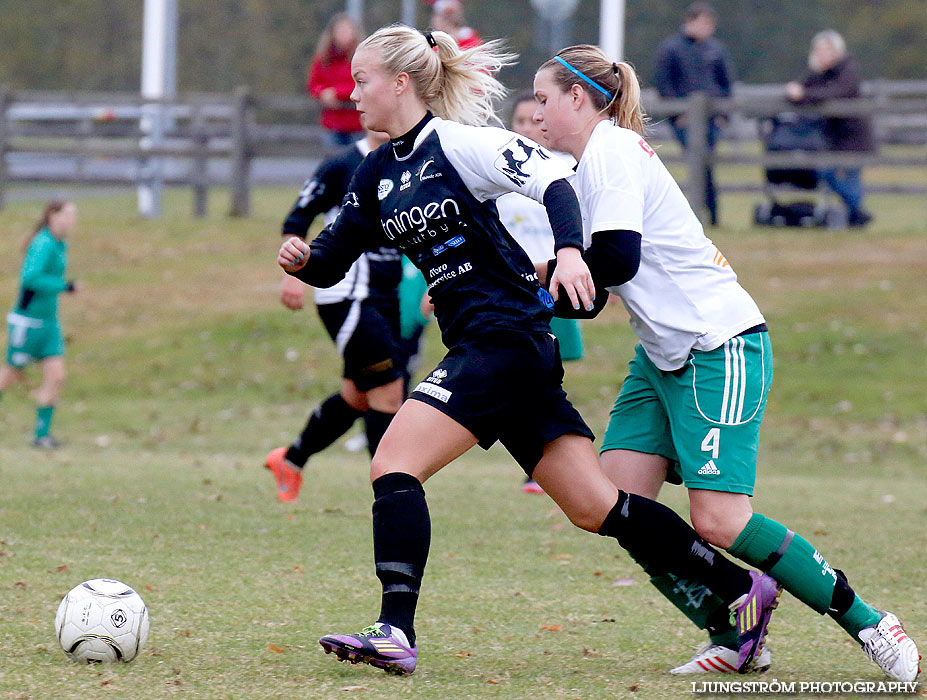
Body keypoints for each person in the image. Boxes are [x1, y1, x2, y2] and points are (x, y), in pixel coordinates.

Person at [279, 24, 782, 677]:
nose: (353, 95)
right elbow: (331, 256)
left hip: (505, 339)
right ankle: (742, 589)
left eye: (362, 81)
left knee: (394, 463)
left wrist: (571, 252)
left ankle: (394, 631)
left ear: (401, 82)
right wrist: (302, 260)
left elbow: (553, 179)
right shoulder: (376, 173)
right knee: (595, 507)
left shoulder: (462, 147)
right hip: (493, 348)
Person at [532, 44, 920, 681]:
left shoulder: (613, 152)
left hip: (721, 346)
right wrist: (520, 294)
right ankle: (735, 631)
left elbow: (617, 261)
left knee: (719, 520)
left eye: (544, 100)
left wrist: (540, 278)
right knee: (614, 503)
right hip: (662, 358)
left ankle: (872, 622)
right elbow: (594, 293)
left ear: (578, 98)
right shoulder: (586, 167)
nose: (537, 115)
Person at [265, 129, 406, 503]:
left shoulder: (410, 156)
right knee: (389, 391)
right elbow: (297, 218)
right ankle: (392, 496)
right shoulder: (341, 164)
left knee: (358, 396)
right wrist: (292, 272)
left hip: (387, 294)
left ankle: (290, 461)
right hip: (348, 294)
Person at [496, 91, 585, 495]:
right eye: (519, 121)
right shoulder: (498, 170)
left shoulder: (564, 171)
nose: (528, 128)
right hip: (509, 289)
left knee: (549, 370)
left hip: (551, 284)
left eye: (535, 120)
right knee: (516, 370)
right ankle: (541, 459)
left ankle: (552, 464)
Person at [0, 200, 81, 449]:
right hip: (28, 323)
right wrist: (65, 287)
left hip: (49, 323)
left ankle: (41, 435)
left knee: (56, 376)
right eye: (66, 215)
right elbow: (30, 277)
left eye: (73, 216)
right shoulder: (43, 243)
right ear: (51, 216)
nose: (70, 220)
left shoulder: (60, 244)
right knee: (10, 374)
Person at [654, 2, 733, 227]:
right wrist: (678, 113)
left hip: (711, 119)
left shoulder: (716, 50)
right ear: (691, 21)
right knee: (699, 164)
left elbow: (726, 84)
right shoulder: (671, 49)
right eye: (704, 22)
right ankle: (706, 213)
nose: (708, 28)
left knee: (705, 164)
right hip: (684, 120)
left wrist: (723, 114)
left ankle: (709, 214)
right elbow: (664, 83)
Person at [786, 30, 874, 227]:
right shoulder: (818, 72)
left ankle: (856, 215)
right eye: (818, 51)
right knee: (828, 173)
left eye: (826, 50)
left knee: (847, 176)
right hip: (832, 137)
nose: (822, 55)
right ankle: (857, 214)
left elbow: (837, 92)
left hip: (853, 137)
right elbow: (797, 91)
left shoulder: (849, 69)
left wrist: (804, 93)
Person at [308, 13, 365, 146]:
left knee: (357, 164)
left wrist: (336, 93)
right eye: (340, 30)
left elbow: (364, 84)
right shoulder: (323, 58)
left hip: (357, 125)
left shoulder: (362, 57)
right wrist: (322, 93)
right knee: (333, 163)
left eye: (347, 30)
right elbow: (313, 84)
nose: (343, 34)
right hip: (332, 124)